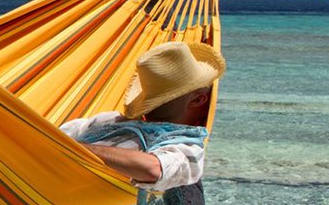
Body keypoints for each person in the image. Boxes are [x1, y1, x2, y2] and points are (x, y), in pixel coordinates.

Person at [61, 41, 226, 192]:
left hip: (58, 184)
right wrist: (68, 148)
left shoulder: (187, 148)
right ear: (199, 99)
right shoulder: (109, 120)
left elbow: (153, 169)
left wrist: (76, 149)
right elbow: (47, 137)